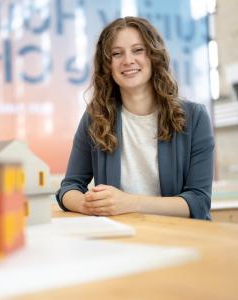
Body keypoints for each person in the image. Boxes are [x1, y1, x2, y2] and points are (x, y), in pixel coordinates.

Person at [56, 16, 214, 220]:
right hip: (122, 241)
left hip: (180, 238)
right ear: (108, 65)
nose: (128, 60)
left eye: (138, 50)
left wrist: (130, 203)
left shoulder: (195, 118)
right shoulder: (96, 118)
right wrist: (88, 205)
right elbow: (69, 187)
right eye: (116, 53)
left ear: (153, 56)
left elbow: (199, 201)